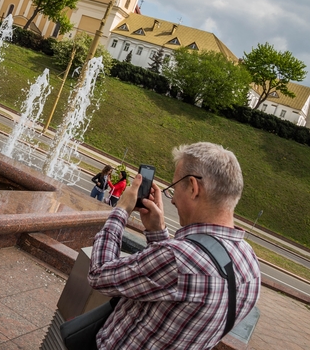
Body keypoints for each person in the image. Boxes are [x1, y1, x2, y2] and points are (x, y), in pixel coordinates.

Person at [87, 142, 261, 349]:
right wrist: (157, 232)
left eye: (174, 188)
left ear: (193, 188)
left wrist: (121, 210)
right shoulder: (250, 264)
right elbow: (173, 294)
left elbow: (99, 274)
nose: (172, 201)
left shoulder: (178, 258)